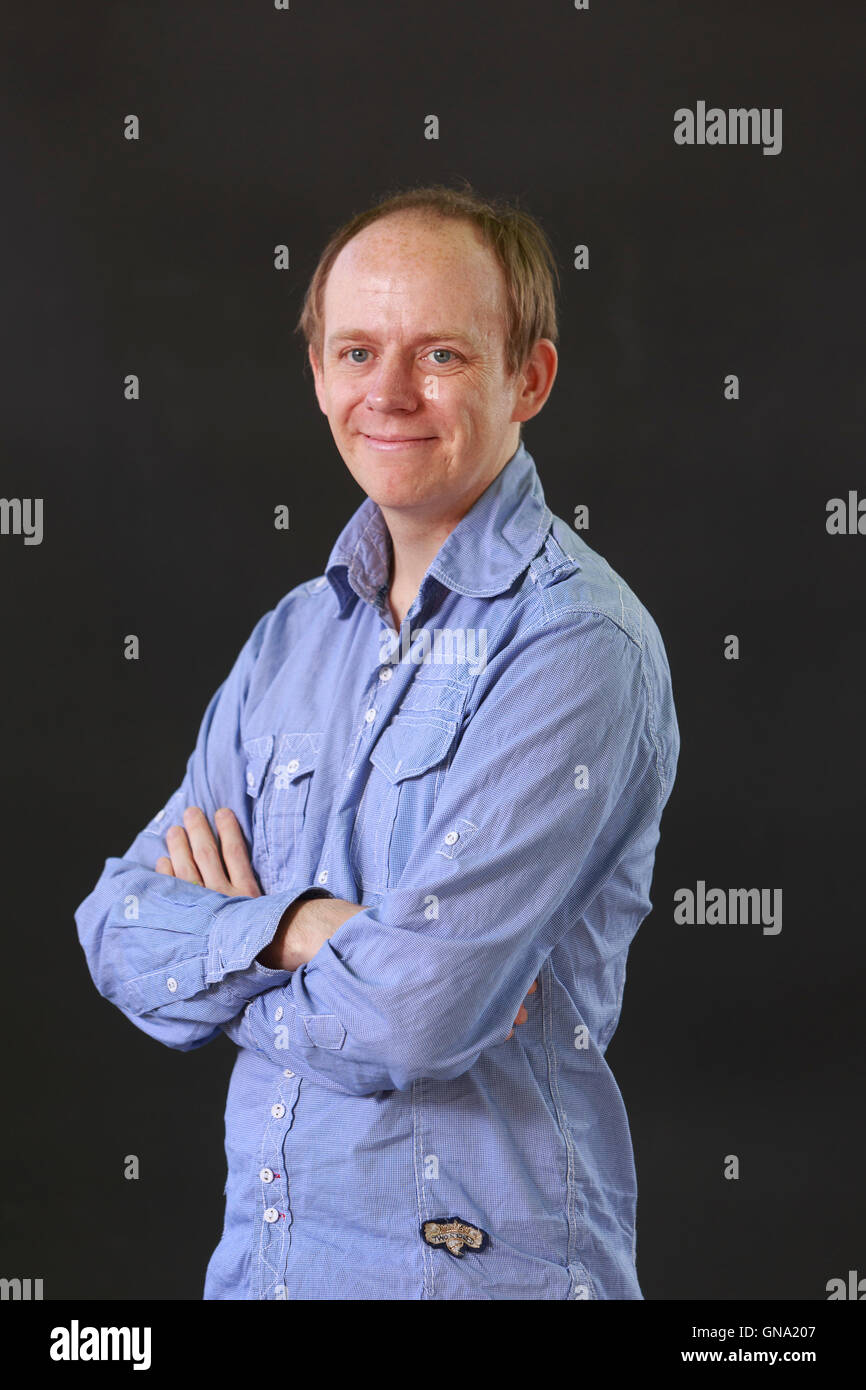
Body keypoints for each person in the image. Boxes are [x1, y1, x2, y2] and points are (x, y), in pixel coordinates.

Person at [75, 183, 680, 1300]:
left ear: (527, 379)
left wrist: (230, 951)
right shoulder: (290, 640)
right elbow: (115, 927)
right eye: (355, 351)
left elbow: (415, 1019)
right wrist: (305, 928)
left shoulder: (576, 647)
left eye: (439, 354)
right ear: (317, 375)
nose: (388, 392)